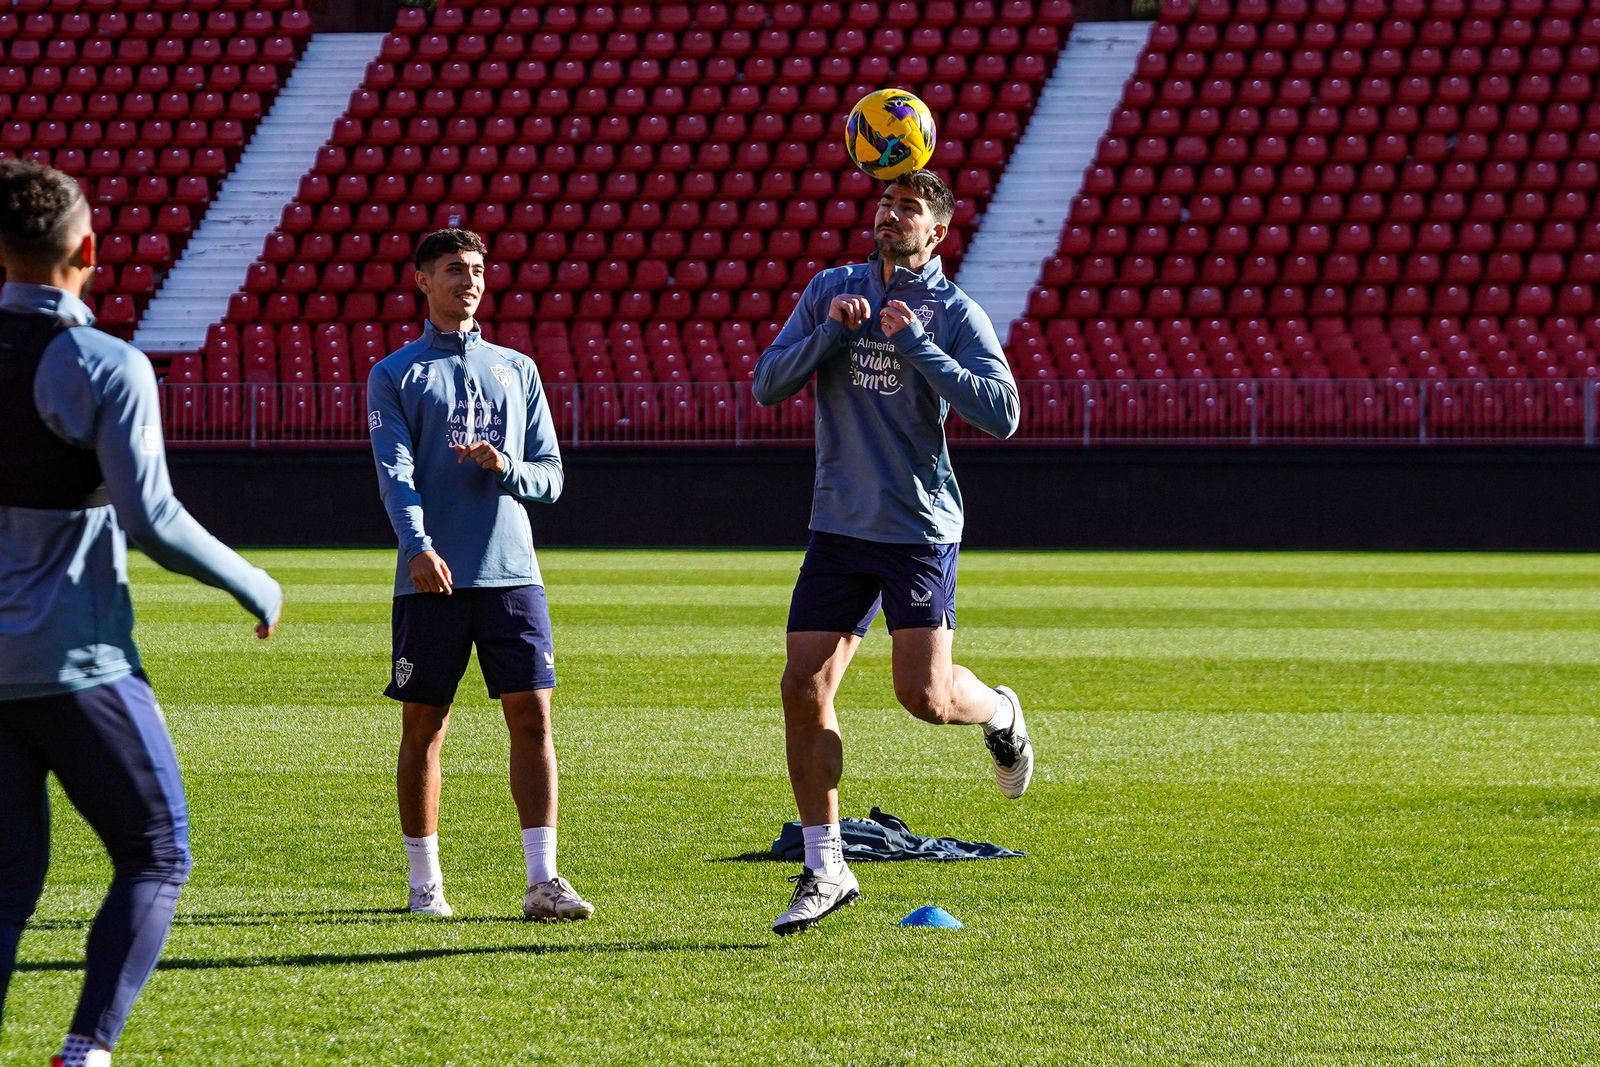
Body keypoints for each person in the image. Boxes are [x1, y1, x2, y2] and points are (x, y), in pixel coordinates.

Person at [0, 159, 282, 1067]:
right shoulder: (101, 363)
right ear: (88, 249)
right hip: (76, 662)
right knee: (158, 851)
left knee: (7, 888)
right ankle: (85, 1053)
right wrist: (256, 583)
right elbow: (150, 520)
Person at [752, 170, 1030, 936]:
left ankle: (1001, 710)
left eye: (909, 209)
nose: (890, 215)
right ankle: (826, 864)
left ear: (937, 232)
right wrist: (830, 334)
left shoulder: (953, 310)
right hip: (839, 526)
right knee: (802, 685)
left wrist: (919, 347)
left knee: (927, 698)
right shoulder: (831, 289)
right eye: (885, 204)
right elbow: (767, 383)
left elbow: (1003, 412)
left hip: (917, 529)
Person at [366, 228, 591, 922]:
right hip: (432, 573)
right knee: (425, 727)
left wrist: (508, 468)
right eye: (453, 269)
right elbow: (394, 473)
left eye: (476, 269)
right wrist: (419, 544)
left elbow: (551, 476)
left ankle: (543, 880)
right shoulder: (396, 373)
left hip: (513, 573)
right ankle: (425, 884)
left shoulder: (518, 369)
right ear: (421, 282)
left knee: (533, 719)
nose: (468, 280)